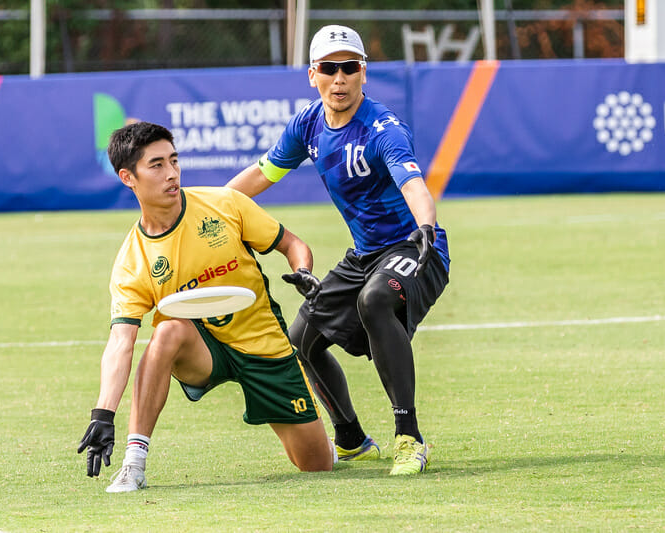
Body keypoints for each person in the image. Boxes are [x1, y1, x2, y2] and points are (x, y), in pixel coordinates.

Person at [226, 25, 450, 476]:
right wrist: (208, 210)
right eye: (329, 68)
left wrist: (426, 225)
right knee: (300, 341)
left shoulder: (382, 126)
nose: (340, 78)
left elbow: (413, 183)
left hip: (416, 246)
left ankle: (409, 438)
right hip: (366, 254)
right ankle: (350, 438)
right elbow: (260, 175)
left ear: (363, 73)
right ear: (313, 75)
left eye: (349, 67)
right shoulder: (307, 124)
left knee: (376, 299)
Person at [77, 121, 335, 493]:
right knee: (167, 331)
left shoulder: (224, 204)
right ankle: (135, 463)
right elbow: (121, 342)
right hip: (201, 350)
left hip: (262, 343)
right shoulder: (132, 261)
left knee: (316, 467)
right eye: (157, 165)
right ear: (127, 177)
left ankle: (333, 442)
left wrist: (304, 271)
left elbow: (293, 244)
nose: (171, 174)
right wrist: (103, 413)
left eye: (174, 161)